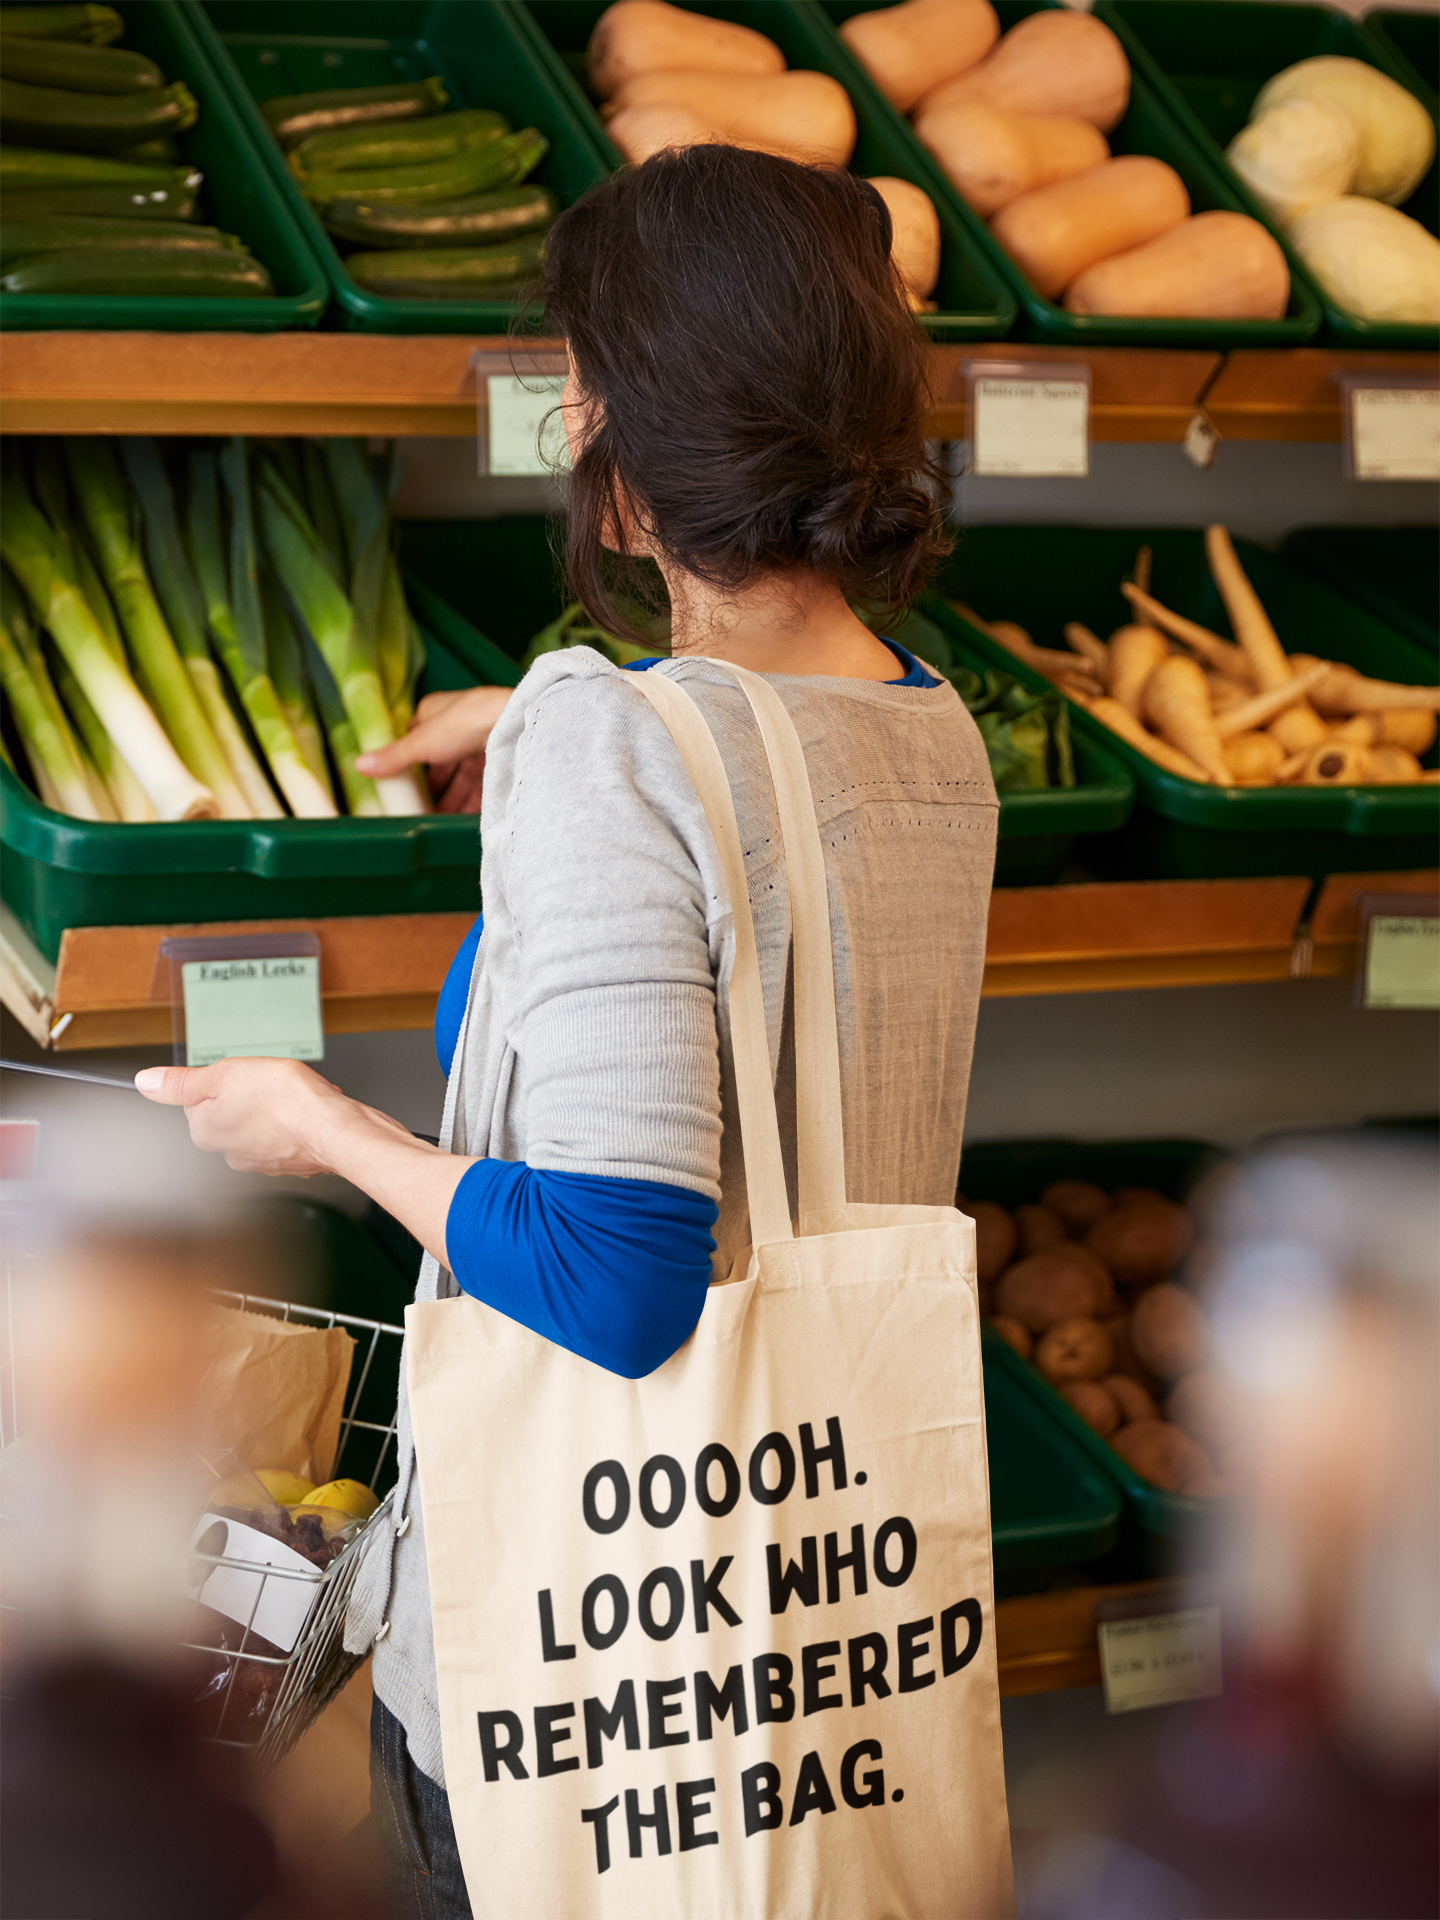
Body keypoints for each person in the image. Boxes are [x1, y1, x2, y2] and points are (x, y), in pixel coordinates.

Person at [137, 144, 998, 1919]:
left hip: (591, 1661)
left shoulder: (602, 739)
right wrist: (539, 839)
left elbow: (618, 1276)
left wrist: (322, 1131)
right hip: (813, 1627)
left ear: (617, 437)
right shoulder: (937, 733)